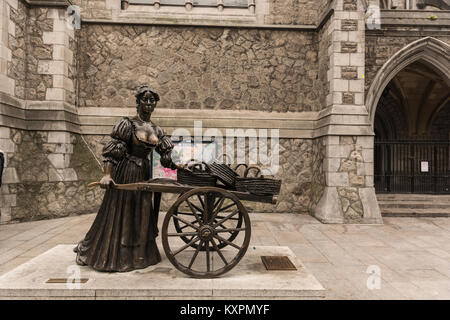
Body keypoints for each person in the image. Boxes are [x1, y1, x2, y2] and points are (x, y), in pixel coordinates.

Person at [74, 85, 181, 272]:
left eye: (152, 100)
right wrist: (107, 174)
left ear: (155, 104)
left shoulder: (157, 129)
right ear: (138, 102)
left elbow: (167, 155)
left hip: (145, 173)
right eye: (145, 99)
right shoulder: (127, 124)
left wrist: (180, 165)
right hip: (126, 172)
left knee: (143, 211)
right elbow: (113, 151)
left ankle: (141, 253)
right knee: (123, 211)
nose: (148, 103)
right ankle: (117, 254)